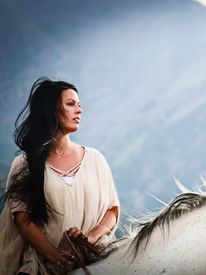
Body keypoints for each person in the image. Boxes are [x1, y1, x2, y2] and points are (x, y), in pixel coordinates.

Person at [0, 77, 120, 274]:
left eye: (79, 105)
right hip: (43, 268)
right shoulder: (25, 164)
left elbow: (112, 212)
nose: (79, 110)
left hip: (94, 258)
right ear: (51, 110)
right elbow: (23, 219)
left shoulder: (95, 159)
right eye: (71, 104)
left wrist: (90, 237)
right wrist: (56, 256)